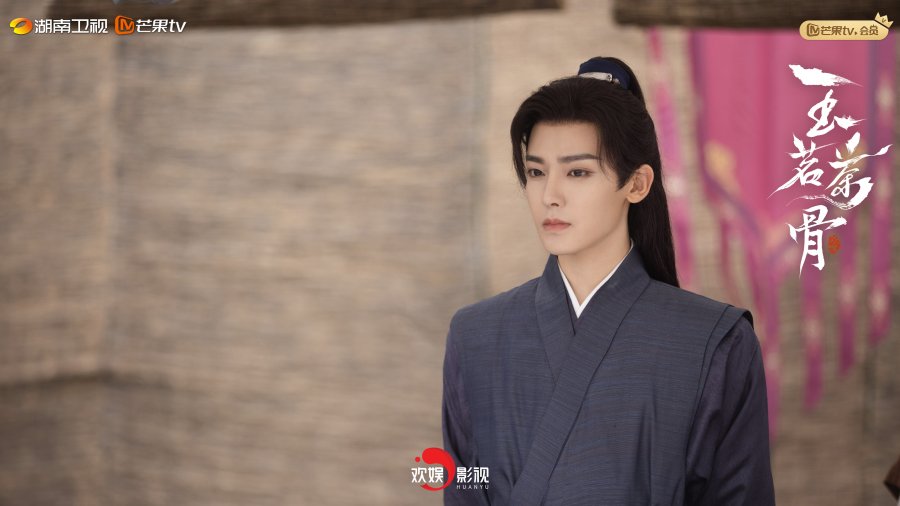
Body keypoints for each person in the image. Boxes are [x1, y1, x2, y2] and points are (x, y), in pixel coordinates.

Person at [441, 56, 775, 505]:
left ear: (636, 184)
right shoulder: (474, 336)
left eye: (577, 172)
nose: (549, 195)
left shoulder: (716, 343)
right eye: (536, 172)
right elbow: (465, 487)